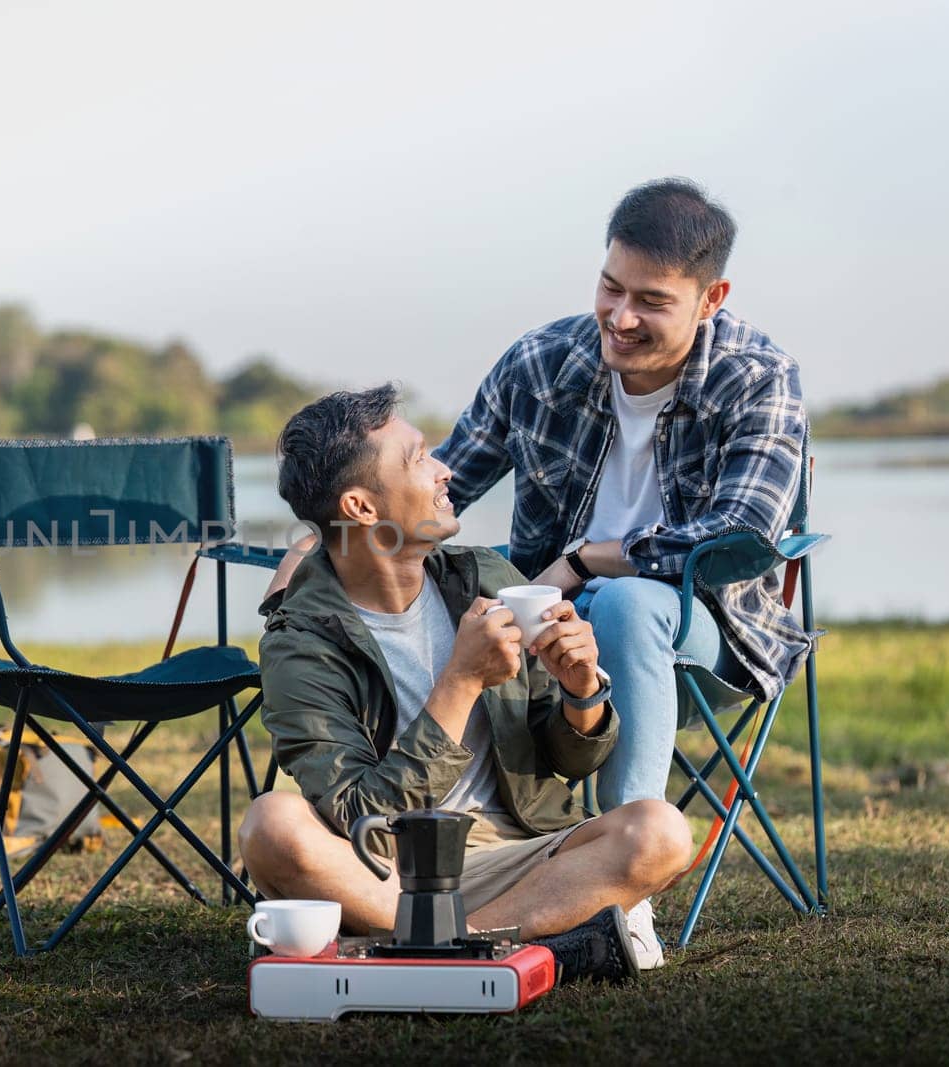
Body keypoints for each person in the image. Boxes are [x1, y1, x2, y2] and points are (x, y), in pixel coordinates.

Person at [266, 178, 809, 815]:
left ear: (710, 299)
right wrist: (318, 541)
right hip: (545, 630)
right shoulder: (541, 363)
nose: (621, 318)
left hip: (706, 632)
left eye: (652, 301)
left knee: (628, 603)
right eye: (611, 288)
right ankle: (420, 828)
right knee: (466, 597)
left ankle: (621, 879)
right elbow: (438, 485)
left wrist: (592, 559)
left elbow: (743, 539)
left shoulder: (758, 378)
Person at [238, 386, 691, 981]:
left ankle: (447, 948)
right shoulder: (302, 641)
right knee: (271, 825)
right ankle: (520, 945)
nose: (444, 471)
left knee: (659, 831)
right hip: (387, 872)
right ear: (361, 508)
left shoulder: (486, 578)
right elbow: (359, 815)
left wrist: (582, 692)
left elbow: (570, 759)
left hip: (521, 856)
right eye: (420, 458)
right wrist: (461, 681)